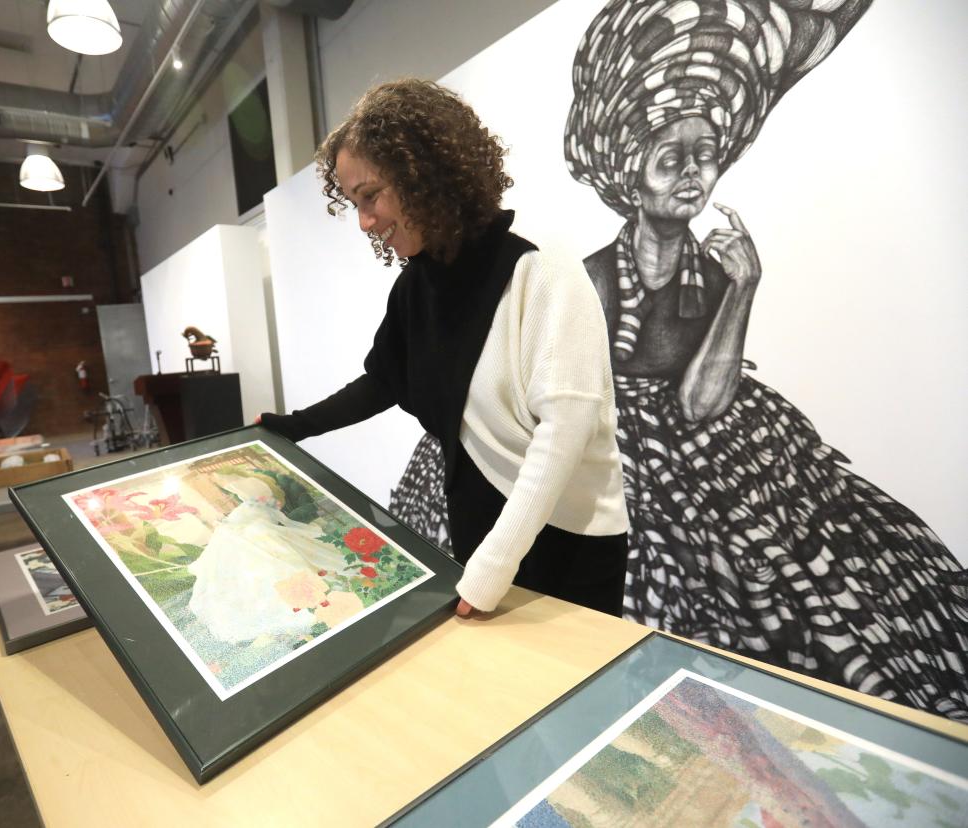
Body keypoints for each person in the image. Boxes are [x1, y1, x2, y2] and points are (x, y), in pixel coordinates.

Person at [560, 0, 968, 719]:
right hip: (625, 463)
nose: (693, 174)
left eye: (706, 154)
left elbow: (702, 402)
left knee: (823, 587)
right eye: (671, 158)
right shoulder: (587, 281)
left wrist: (744, 286)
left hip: (728, 450)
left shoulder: (718, 271)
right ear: (631, 169)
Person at [260, 79, 630, 618]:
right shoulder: (421, 283)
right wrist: (293, 426)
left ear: (423, 175)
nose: (364, 222)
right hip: (483, 535)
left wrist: (489, 572)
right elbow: (386, 379)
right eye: (354, 204)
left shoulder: (539, 272)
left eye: (370, 197)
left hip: (563, 541)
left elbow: (565, 432)